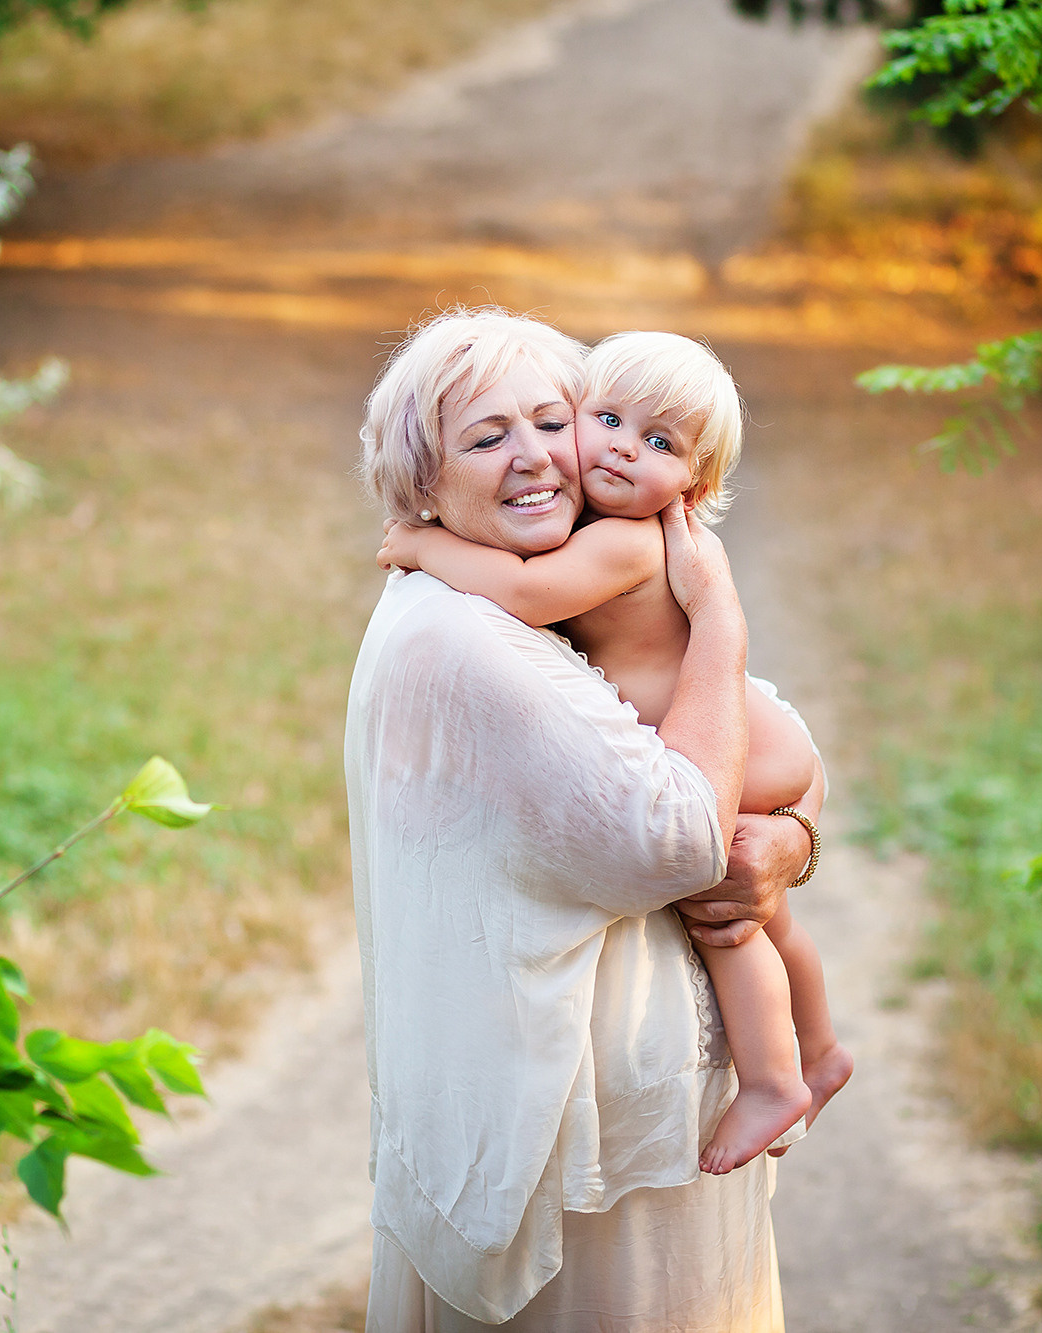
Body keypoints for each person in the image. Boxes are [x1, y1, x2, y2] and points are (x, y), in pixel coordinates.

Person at [348, 309, 823, 1330]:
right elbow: (685, 836)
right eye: (485, 437)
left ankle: (804, 1059)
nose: (538, 458)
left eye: (550, 420)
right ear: (420, 483)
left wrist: (790, 832)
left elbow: (756, 752)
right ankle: (801, 1059)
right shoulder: (467, 637)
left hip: (631, 1151)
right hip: (577, 1171)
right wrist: (722, 621)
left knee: (761, 931)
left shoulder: (548, 589)